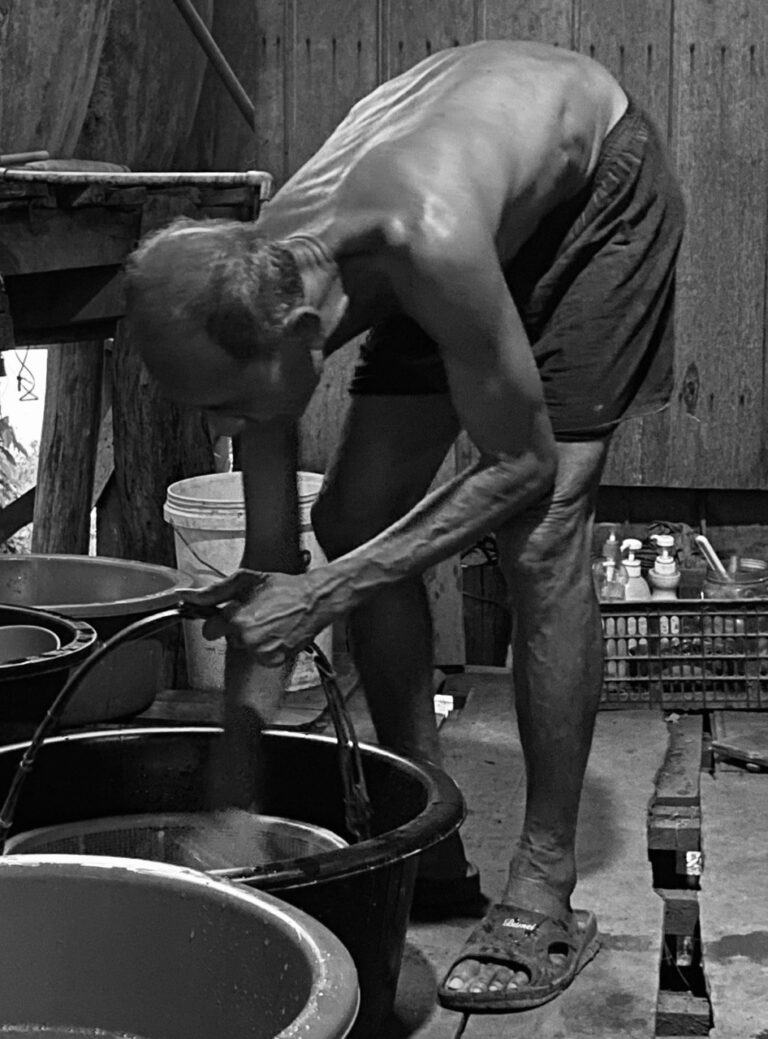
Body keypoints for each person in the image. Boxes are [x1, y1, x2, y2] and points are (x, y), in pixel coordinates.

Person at [125, 39, 685, 1013]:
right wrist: (231, 800)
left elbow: (522, 464)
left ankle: (545, 886)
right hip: (459, 217)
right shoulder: (255, 281)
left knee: (542, 531)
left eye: (228, 407)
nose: (229, 430)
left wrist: (329, 590)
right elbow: (271, 567)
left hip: (594, 202)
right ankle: (424, 836)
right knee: (351, 516)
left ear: (302, 339)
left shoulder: (425, 238)